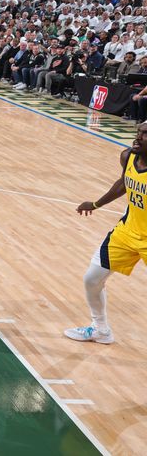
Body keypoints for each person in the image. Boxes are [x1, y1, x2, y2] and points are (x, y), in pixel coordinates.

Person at [65, 123, 147, 345]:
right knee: (92, 279)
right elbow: (123, 183)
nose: (137, 137)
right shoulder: (128, 156)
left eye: (145, 134)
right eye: (138, 132)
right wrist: (95, 203)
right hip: (127, 232)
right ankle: (100, 329)